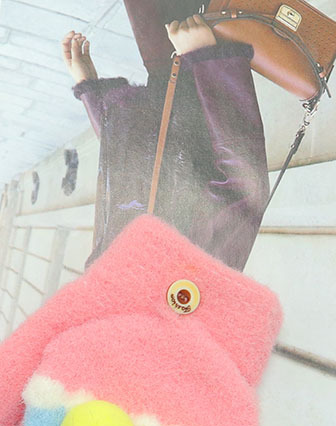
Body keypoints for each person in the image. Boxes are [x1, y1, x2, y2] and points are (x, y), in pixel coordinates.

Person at [62, 7, 269, 272]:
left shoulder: (105, 280)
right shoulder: (191, 286)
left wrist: (91, 93)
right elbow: (245, 186)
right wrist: (207, 60)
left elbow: (126, 186)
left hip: (166, 72)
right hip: (199, 70)